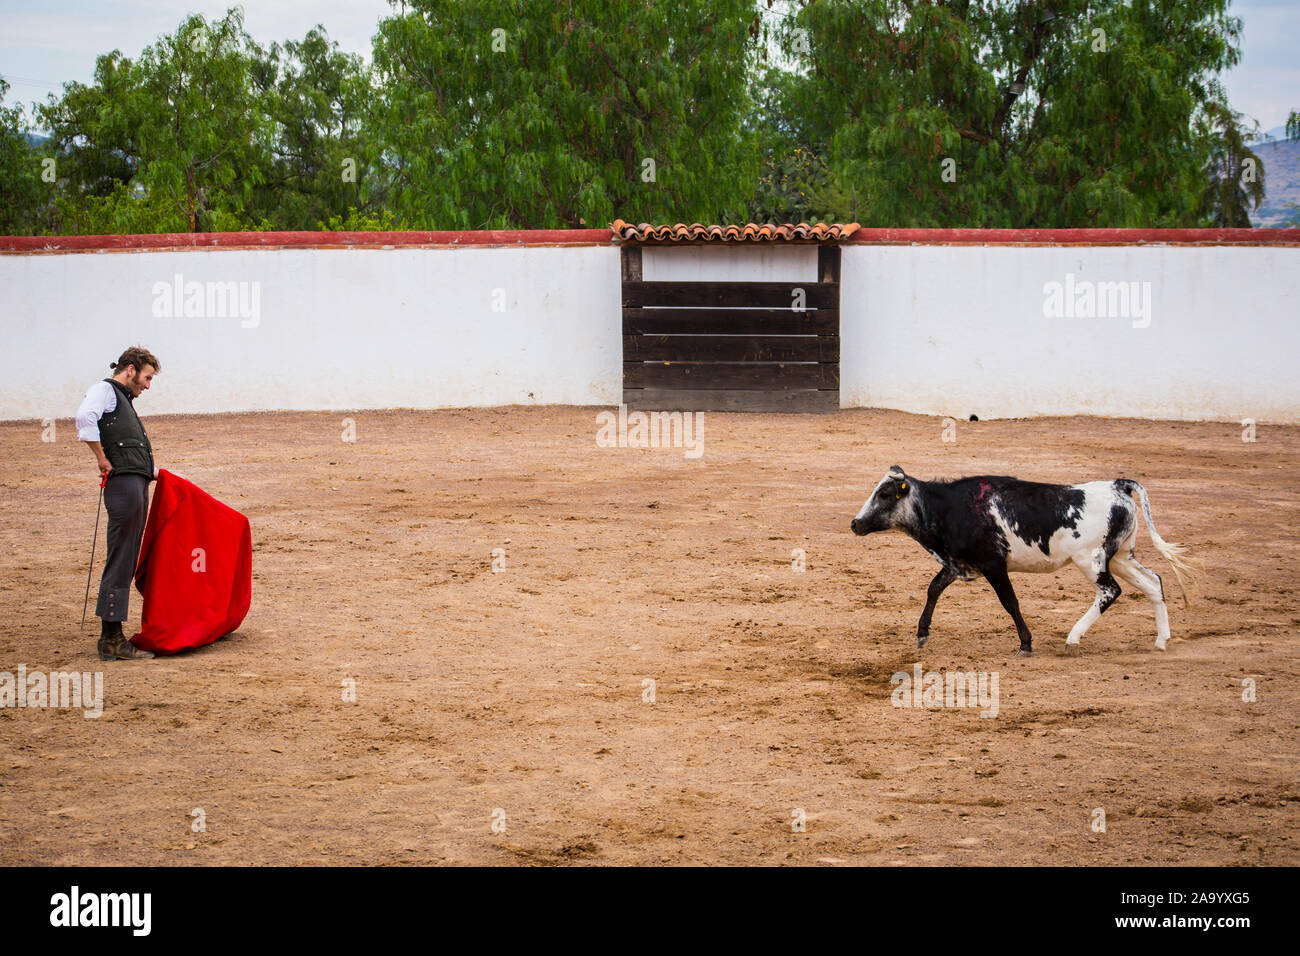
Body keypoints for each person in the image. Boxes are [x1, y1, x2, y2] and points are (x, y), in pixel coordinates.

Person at [75, 347, 162, 660]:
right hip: (123, 485)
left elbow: (130, 449)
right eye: (146, 377)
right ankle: (111, 640)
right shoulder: (105, 391)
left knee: (126, 555)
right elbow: (84, 417)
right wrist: (100, 458)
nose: (148, 385)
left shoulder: (122, 400)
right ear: (130, 369)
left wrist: (159, 475)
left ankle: (113, 637)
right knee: (122, 556)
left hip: (133, 482)